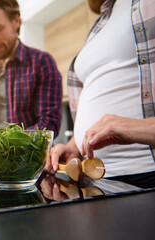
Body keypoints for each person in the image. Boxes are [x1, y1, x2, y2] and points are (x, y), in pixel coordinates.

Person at [46, 0, 155, 180]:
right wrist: (74, 146)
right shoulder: (100, 23)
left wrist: (136, 126)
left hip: (144, 174)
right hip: (94, 178)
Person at [0, 0, 62, 137]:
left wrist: (8, 142)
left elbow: (49, 122)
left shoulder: (42, 63)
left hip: (28, 156)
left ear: (16, 21)